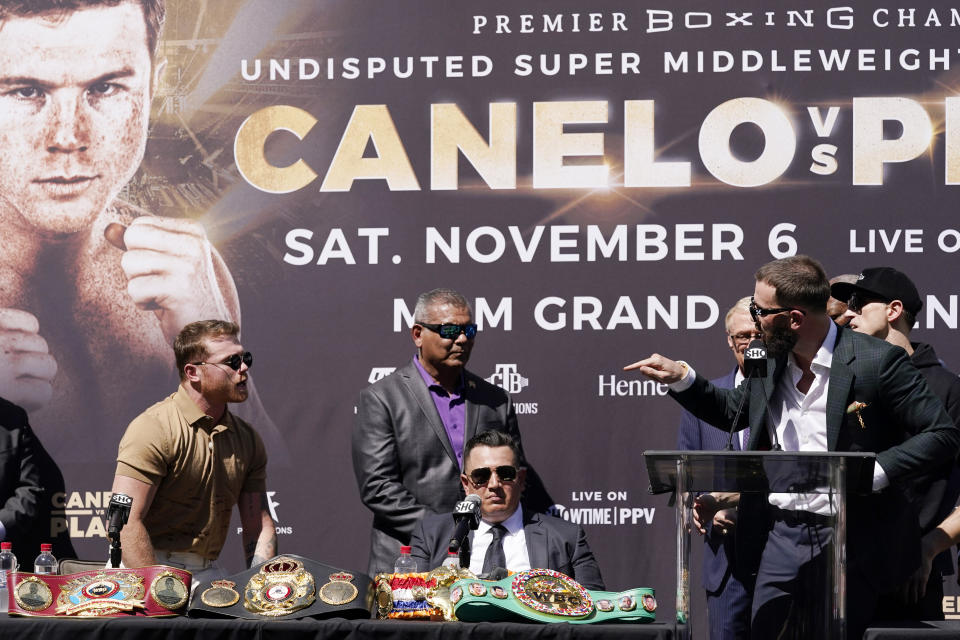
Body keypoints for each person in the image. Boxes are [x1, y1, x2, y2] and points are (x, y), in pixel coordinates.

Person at [0, 0, 283, 465]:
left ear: (156, 82)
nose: (68, 136)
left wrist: (220, 356)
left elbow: (273, 497)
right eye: (27, 91)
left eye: (105, 87)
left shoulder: (190, 269)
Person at [625, 255, 960, 639]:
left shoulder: (876, 360)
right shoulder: (766, 356)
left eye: (760, 310)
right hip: (780, 534)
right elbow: (734, 410)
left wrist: (871, 472)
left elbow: (941, 434)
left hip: (854, 537)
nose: (753, 320)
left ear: (793, 319)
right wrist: (684, 378)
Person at [352, 287, 551, 575]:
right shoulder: (382, 398)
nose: (461, 339)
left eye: (469, 330)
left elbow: (516, 475)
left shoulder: (495, 400)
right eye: (449, 330)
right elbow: (378, 488)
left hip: (488, 557)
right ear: (418, 334)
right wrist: (448, 531)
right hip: (411, 558)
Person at [833, 266, 960, 619]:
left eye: (859, 304)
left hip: (912, 578)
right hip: (841, 569)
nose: (847, 314)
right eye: (846, 306)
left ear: (893, 311)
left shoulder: (949, 389)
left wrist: (928, 547)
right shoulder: (840, 379)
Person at [110, 320, 276, 584]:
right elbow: (123, 524)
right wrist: (158, 589)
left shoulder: (248, 439)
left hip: (207, 574)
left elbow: (258, 527)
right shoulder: (153, 427)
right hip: (141, 570)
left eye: (245, 358)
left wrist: (262, 588)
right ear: (193, 373)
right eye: (231, 361)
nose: (243, 368)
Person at [408, 431, 604, 589]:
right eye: (481, 475)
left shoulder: (567, 537)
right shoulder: (431, 535)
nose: (494, 484)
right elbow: (415, 605)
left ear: (521, 478)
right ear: (466, 483)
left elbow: (593, 607)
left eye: (505, 473)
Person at [676, 297, 760, 640]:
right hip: (724, 565)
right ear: (729, 341)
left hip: (784, 560)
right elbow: (686, 475)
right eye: (743, 336)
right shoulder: (704, 400)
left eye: (759, 334)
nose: (751, 343)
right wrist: (709, 507)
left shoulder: (789, 394)